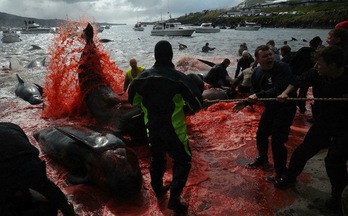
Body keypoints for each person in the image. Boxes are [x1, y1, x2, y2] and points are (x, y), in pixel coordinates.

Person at [128, 40, 203, 212]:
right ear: (171, 56)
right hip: (174, 131)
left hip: (152, 128)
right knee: (183, 161)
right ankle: (174, 200)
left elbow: (133, 100)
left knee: (157, 158)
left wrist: (148, 107)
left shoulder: (142, 78)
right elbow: (197, 103)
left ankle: (159, 189)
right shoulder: (180, 79)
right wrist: (184, 108)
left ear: (155, 56)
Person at [275, 46, 348, 212]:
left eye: (320, 64)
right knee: (303, 150)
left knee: (334, 160)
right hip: (323, 122)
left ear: (333, 65)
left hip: (345, 126)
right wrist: (286, 93)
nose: (316, 67)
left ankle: (338, 196)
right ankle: (290, 175)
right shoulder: (316, 74)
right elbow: (297, 80)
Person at [232, 44, 297, 182]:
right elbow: (254, 92)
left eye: (270, 54)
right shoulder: (256, 72)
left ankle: (280, 171)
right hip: (271, 108)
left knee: (277, 141)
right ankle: (262, 158)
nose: (269, 57)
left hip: (285, 108)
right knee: (261, 134)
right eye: (265, 56)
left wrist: (258, 95)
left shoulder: (283, 68)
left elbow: (278, 89)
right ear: (257, 59)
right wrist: (246, 102)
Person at [0, 122, 75, 216]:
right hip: (29, 162)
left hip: (12, 168)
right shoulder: (9, 126)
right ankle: (68, 209)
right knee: (45, 186)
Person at [290, 36, 323, 114]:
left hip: (297, 73)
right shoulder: (317, 54)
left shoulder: (303, 50)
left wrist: (291, 71)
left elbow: (293, 60)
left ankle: (292, 105)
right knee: (303, 92)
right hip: (307, 75)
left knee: (293, 89)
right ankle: (301, 107)